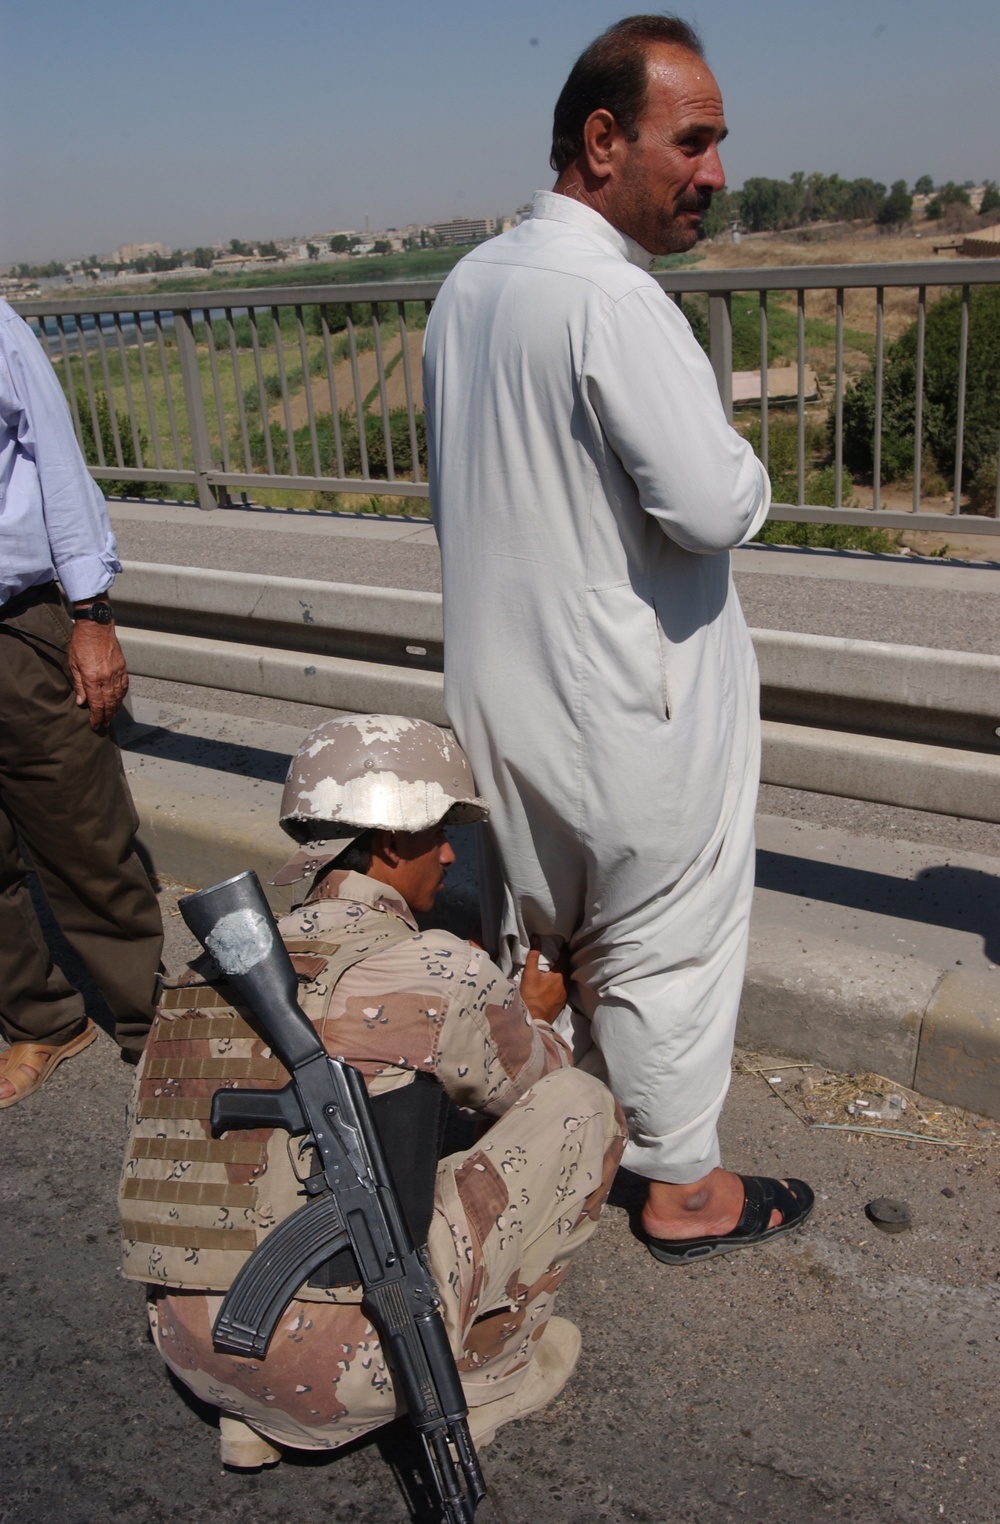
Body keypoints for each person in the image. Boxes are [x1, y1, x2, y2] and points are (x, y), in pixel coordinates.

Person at [423, 15, 813, 1263]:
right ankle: (682, 1190)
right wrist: (751, 471)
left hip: (505, 686)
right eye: (690, 142)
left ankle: (565, 1133)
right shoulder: (613, 299)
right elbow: (709, 504)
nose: (713, 172)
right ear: (602, 141)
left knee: (547, 923)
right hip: (628, 702)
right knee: (666, 943)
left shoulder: (470, 286)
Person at [120, 714, 624, 1466]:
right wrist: (532, 1014)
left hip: (193, 1348)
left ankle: (252, 1412)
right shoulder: (435, 968)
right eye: (439, 833)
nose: (451, 855)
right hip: (351, 1370)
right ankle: (486, 1380)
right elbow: (532, 1090)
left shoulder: (204, 974)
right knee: (584, 1109)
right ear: (391, 842)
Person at [0, 299, 163, 1106]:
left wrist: (91, 613)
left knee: (84, 834)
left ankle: (153, 1026)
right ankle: (40, 1019)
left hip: (14, 624)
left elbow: (55, 462)